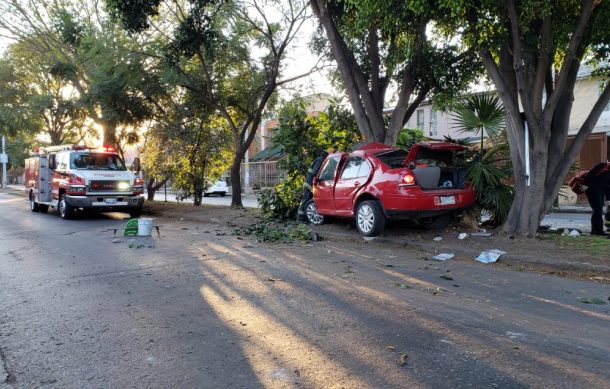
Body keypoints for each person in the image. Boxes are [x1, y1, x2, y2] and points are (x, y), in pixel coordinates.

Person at [296, 150, 328, 222]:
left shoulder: (320, 159)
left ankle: (304, 217)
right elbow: (314, 172)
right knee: (306, 200)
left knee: (307, 201)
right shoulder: (320, 160)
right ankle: (300, 218)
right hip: (309, 184)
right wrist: (321, 178)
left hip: (310, 183)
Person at [584, 161, 610, 236]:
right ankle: (598, 231)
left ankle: (594, 230)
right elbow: (590, 174)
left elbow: (608, 187)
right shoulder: (602, 165)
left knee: (598, 210)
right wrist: (586, 184)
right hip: (592, 189)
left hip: (600, 192)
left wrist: (608, 199)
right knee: (598, 209)